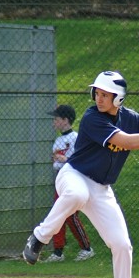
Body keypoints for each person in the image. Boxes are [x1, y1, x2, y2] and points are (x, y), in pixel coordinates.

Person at [22, 70, 139, 278]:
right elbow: (127, 142)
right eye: (97, 93)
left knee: (122, 245)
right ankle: (39, 237)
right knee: (76, 195)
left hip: (101, 189)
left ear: (119, 98)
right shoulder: (92, 117)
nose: (99, 98)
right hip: (74, 175)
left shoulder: (131, 118)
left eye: (106, 95)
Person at [43, 104, 95, 263]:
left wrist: (66, 159)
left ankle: (87, 248)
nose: (54, 121)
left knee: (70, 215)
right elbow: (56, 162)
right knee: (58, 214)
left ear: (65, 120)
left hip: (74, 178)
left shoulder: (76, 138)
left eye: (56, 118)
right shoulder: (58, 140)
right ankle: (58, 252)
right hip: (60, 179)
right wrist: (56, 160)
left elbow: (83, 159)